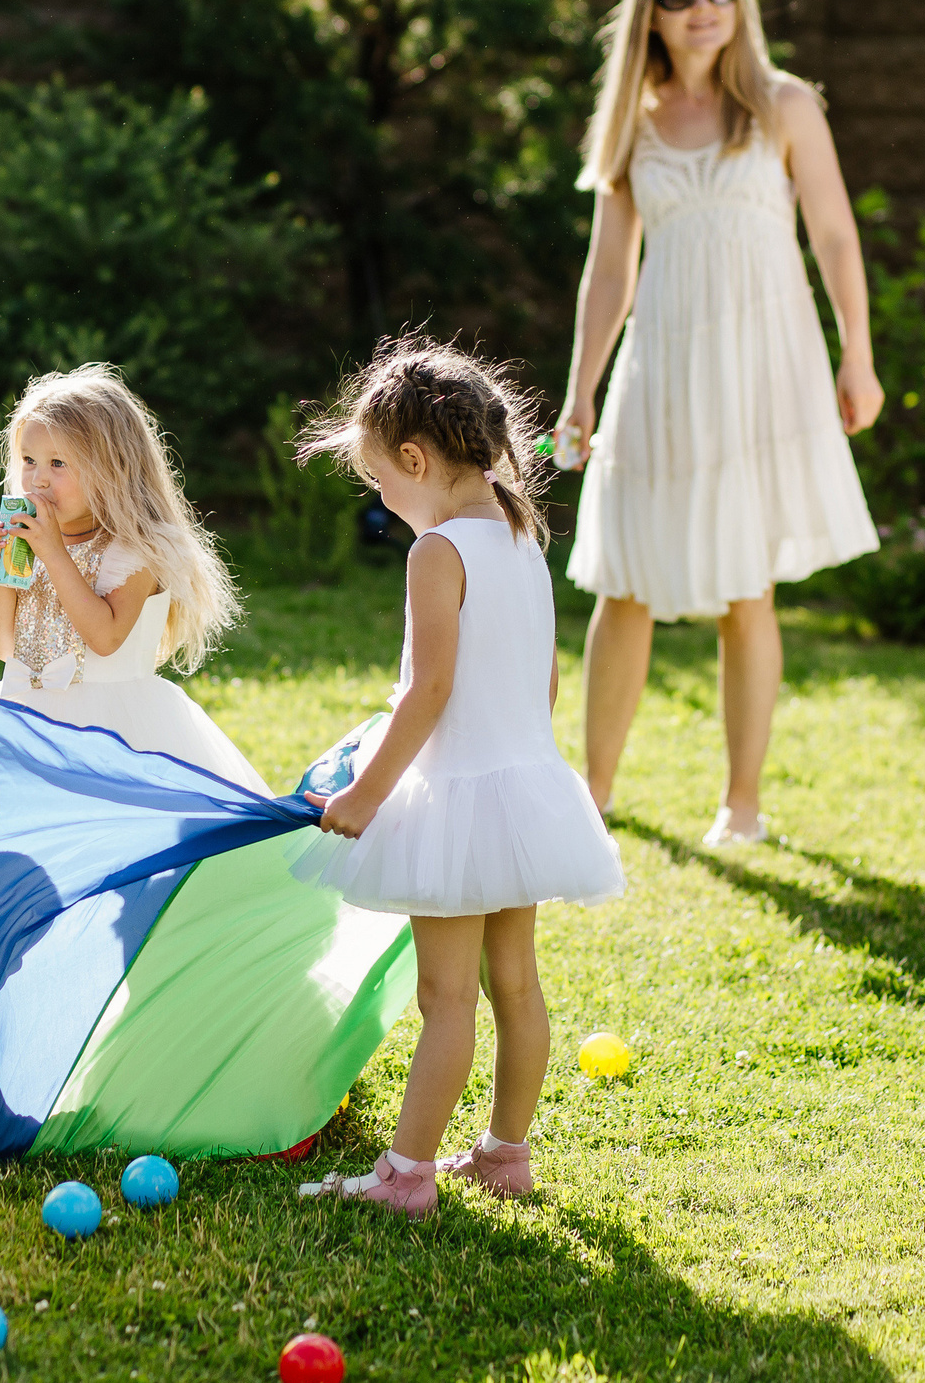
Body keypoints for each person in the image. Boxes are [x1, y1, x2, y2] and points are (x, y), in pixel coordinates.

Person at [555, 0, 884, 845]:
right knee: (623, 581)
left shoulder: (784, 106)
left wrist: (856, 355)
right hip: (661, 366)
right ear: (649, 14)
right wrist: (580, 392)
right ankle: (596, 791)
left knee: (751, 589)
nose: (703, 4)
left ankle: (741, 802)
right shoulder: (633, 123)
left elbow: (835, 236)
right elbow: (608, 272)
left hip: (763, 369)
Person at [289, 337, 626, 1210]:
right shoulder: (522, 535)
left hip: (458, 800)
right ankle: (506, 1153)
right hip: (523, 787)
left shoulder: (436, 553)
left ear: (414, 458)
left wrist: (365, 795)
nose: (386, 503)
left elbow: (428, 689)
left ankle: (405, 1178)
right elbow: (545, 678)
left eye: (381, 485)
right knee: (515, 982)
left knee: (445, 996)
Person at [0, 364, 261, 791]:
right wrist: (2, 578)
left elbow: (105, 639)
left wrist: (53, 553)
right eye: (29, 460)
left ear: (112, 468)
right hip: (26, 717)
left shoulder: (136, 550)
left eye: (58, 463)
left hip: (116, 725)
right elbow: (5, 647)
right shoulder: (29, 542)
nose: (38, 478)